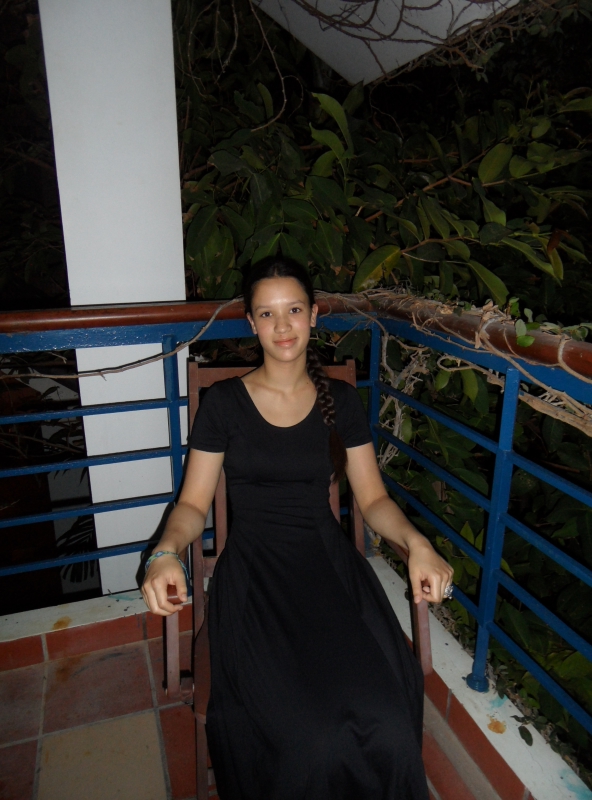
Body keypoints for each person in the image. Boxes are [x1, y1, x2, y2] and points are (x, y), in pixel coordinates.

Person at [142, 256, 454, 800]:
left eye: (293, 310)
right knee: (307, 739)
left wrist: (417, 543)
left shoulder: (341, 402)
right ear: (251, 322)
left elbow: (373, 499)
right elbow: (192, 504)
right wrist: (165, 551)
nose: (282, 326)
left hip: (329, 571)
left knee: (387, 721)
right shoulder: (224, 404)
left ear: (313, 316)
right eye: (267, 313)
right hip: (255, 579)